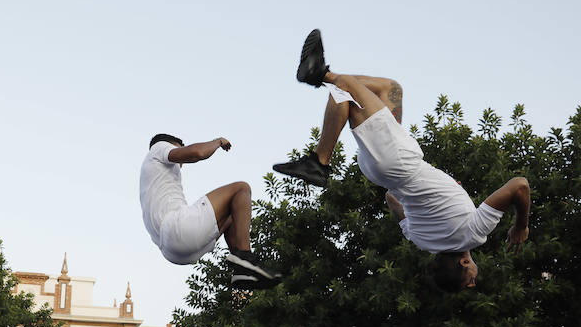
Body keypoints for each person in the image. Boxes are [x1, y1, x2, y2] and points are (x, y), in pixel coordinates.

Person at [274, 29, 531, 292]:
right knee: (391, 89)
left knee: (344, 88)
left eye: (471, 280)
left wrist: (520, 225)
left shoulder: (475, 233)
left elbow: (519, 186)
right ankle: (320, 91)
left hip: (400, 160)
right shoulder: (421, 240)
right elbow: (392, 199)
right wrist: (444, 191)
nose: (475, 280)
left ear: (464, 262)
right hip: (383, 171)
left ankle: (319, 158)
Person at [140, 133, 282, 289]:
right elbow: (197, 153)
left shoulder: (150, 178)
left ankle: (242, 269)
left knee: (233, 211)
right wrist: (218, 142)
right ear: (172, 145)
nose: (181, 165)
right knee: (241, 189)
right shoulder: (158, 148)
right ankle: (246, 259)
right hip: (177, 229)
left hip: (173, 253)